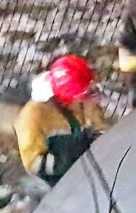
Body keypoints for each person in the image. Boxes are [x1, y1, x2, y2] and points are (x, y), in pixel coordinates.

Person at [14, 54, 108, 185]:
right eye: (84, 94)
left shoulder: (84, 103)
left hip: (86, 171)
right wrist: (68, 160)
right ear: (67, 97)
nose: (90, 97)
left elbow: (99, 128)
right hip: (55, 181)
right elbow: (33, 164)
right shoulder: (33, 116)